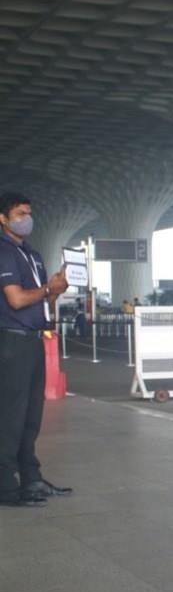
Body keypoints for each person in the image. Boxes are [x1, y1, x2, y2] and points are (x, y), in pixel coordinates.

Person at [0, 191, 73, 507]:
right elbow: (16, 300)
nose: (26, 219)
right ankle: (5, 485)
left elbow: (45, 302)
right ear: (3, 218)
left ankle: (31, 478)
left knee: (31, 416)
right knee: (10, 417)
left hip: (33, 339)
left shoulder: (32, 254)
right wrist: (47, 289)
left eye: (28, 213)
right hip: (12, 341)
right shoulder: (4, 252)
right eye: (19, 213)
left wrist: (55, 291)